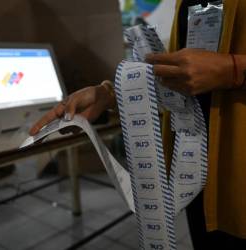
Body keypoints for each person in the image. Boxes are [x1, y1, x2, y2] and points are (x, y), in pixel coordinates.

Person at [30, 0, 246, 249]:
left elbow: (220, 70)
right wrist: (110, 95)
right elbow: (185, 85)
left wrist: (234, 70)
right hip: (200, 176)